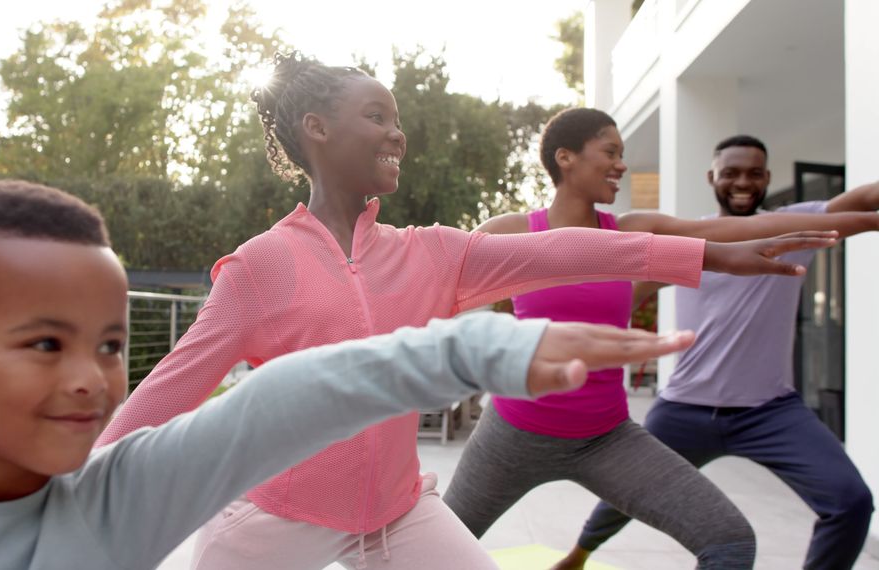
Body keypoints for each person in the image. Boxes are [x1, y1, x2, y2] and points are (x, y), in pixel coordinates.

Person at [95, 54, 837, 570]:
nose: (397, 132)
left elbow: (578, 253)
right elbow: (173, 384)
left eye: (396, 118)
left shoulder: (431, 252)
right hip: (276, 518)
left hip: (394, 514)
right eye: (377, 115)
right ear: (316, 128)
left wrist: (708, 255)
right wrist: (88, 483)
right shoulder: (262, 265)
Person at [0, 180, 703, 569]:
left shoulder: (121, 500)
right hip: (284, 517)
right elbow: (188, 376)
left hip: (392, 505)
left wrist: (492, 349)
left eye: (111, 346)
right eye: (46, 345)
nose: (91, 378)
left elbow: (305, 390)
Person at [441, 110, 879, 569]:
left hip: (604, 437)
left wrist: (867, 222)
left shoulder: (630, 232)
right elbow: (436, 294)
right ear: (565, 158)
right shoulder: (508, 233)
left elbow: (725, 231)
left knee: (730, 542)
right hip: (513, 434)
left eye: (622, 155)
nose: (621, 165)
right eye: (610, 152)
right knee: (429, 552)